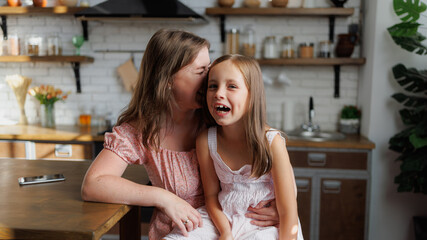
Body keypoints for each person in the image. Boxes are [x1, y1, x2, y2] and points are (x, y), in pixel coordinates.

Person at [81, 29, 279, 240]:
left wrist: (278, 205)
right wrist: (164, 198)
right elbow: (93, 185)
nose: (211, 78)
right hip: (181, 233)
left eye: (209, 68)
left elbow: (269, 160)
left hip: (239, 229)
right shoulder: (141, 131)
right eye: (200, 71)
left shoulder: (219, 116)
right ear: (167, 79)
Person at [164, 54, 304, 240]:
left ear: (252, 95)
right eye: (213, 86)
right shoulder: (206, 141)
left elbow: (288, 213)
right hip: (222, 218)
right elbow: (212, 197)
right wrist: (226, 232)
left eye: (232, 86)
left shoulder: (272, 142)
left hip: (262, 225)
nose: (219, 93)